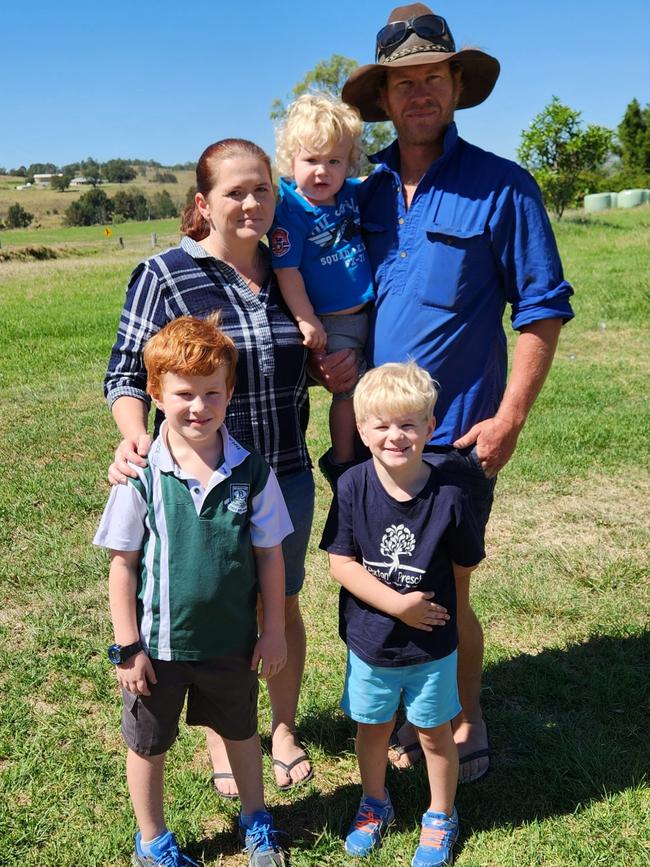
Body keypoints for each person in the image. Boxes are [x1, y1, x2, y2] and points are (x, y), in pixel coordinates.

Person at [325, 3, 576, 782]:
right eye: (403, 83)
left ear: (457, 85)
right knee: (385, 581)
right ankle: (405, 707)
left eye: (433, 76)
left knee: (448, 587)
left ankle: (462, 718)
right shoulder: (360, 198)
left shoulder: (504, 187)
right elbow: (339, 300)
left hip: (457, 436)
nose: (419, 93)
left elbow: (541, 308)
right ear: (385, 100)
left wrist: (511, 418)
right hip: (373, 443)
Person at [104, 138, 318, 796]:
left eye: (261, 189)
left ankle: (279, 725)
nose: (250, 202)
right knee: (217, 603)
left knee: (279, 600)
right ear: (204, 203)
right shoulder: (166, 273)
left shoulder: (289, 272)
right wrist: (137, 440)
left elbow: (306, 355)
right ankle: (225, 735)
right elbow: (125, 374)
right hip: (196, 474)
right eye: (234, 191)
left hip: (281, 468)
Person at [95, 315, 290, 866]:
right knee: (148, 745)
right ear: (155, 392)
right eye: (183, 394)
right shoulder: (140, 474)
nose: (198, 407)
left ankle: (256, 819)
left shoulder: (252, 472)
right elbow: (122, 566)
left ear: (230, 392)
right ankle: (152, 839)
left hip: (231, 643)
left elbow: (270, 554)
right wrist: (128, 646)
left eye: (212, 393)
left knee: (242, 733)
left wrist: (272, 631)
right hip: (157, 651)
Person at [320, 362, 484, 866]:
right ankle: (374, 802)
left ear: (430, 428)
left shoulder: (451, 497)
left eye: (409, 424)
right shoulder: (351, 488)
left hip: (432, 646)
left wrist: (433, 620)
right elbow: (340, 563)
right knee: (373, 728)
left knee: (435, 732)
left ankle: (441, 815)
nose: (396, 436)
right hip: (371, 643)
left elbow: (463, 569)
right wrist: (397, 605)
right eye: (382, 425)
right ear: (362, 430)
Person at [271, 93, 375, 470]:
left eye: (335, 161)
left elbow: (379, 178)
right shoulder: (291, 212)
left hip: (370, 309)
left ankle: (374, 450)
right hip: (331, 320)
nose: (322, 172)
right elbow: (288, 271)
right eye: (311, 160)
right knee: (347, 390)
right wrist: (306, 319)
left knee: (373, 387)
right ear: (291, 161)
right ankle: (344, 460)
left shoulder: (349, 194)